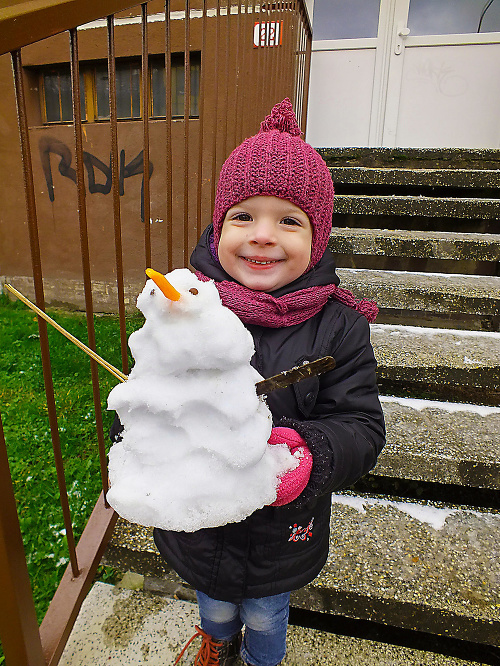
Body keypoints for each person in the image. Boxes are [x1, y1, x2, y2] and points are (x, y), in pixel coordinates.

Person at [126, 98, 385, 666]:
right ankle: (217, 646)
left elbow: (362, 428)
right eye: (244, 216)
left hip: (279, 533)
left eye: (289, 220)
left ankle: (261, 659)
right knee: (213, 603)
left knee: (267, 615)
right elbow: (152, 392)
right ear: (220, 225)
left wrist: (309, 453)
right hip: (200, 524)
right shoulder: (191, 307)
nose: (263, 235)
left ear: (316, 239)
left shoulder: (339, 327)